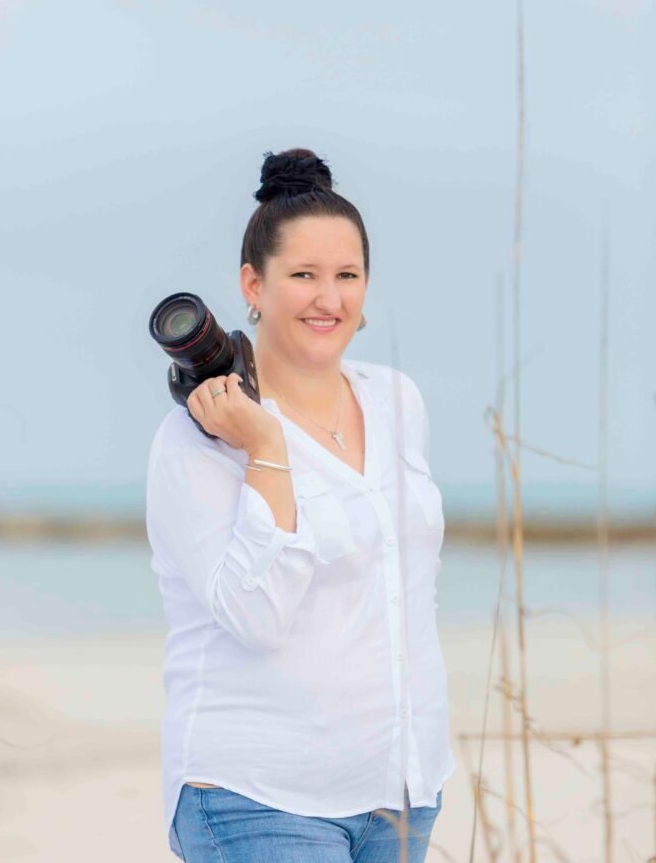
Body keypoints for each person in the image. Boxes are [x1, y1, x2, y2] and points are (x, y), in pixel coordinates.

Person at [145, 148, 455, 862]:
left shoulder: (396, 399)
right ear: (252, 284)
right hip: (258, 794)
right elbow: (256, 616)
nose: (329, 298)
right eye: (303, 276)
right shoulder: (195, 439)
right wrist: (265, 447)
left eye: (347, 276)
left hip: (403, 790)